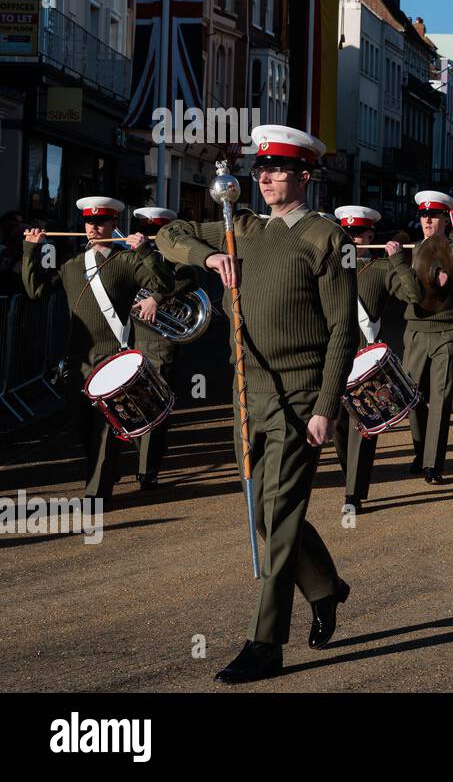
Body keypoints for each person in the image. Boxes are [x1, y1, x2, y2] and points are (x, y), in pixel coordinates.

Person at [155, 125, 355, 683]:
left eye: (278, 170)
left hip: (299, 395)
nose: (264, 178)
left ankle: (266, 642)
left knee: (281, 514)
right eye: (260, 170)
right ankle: (324, 586)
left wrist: (326, 405)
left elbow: (343, 331)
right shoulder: (237, 228)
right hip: (249, 391)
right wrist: (208, 256)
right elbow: (166, 235)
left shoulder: (326, 238)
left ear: (305, 177)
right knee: (265, 514)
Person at [22, 197, 173, 504]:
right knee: (80, 424)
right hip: (79, 360)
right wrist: (30, 249)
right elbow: (34, 290)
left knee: (104, 428)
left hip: (113, 358)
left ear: (114, 224)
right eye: (89, 222)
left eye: (100, 222)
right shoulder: (72, 265)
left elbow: (164, 283)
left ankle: (97, 491)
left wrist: (144, 251)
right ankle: (106, 469)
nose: (93, 227)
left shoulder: (126, 261)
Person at [391, 190, 453, 483]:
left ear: (446, 219)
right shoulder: (411, 250)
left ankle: (433, 464)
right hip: (415, 331)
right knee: (412, 398)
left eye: (434, 215)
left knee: (440, 400)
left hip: (446, 331)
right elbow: (404, 294)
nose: (427, 220)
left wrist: (449, 283)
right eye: (424, 215)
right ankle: (420, 451)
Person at [331, 205, 409, 512]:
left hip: (364, 357)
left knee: (362, 425)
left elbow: (413, 295)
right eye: (347, 233)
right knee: (336, 424)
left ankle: (353, 492)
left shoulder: (381, 269)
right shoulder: (329, 266)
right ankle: (349, 472)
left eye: (358, 234)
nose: (352, 238)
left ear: (371, 236)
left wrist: (399, 261)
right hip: (333, 355)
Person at [130, 206, 202, 490]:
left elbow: (190, 279)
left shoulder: (174, 257)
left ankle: (148, 470)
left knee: (154, 407)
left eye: (154, 231)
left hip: (159, 342)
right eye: (146, 229)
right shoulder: (131, 254)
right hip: (129, 337)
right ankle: (146, 456)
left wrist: (157, 298)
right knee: (133, 407)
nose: (147, 236)